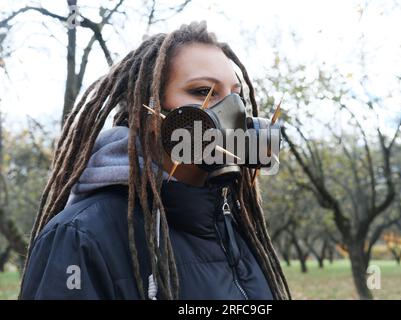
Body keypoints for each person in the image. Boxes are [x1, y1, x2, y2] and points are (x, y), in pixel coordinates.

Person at [19, 21, 291, 300]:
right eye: (202, 92)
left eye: (236, 96)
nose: (233, 113)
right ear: (148, 114)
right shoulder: (79, 236)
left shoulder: (232, 225)